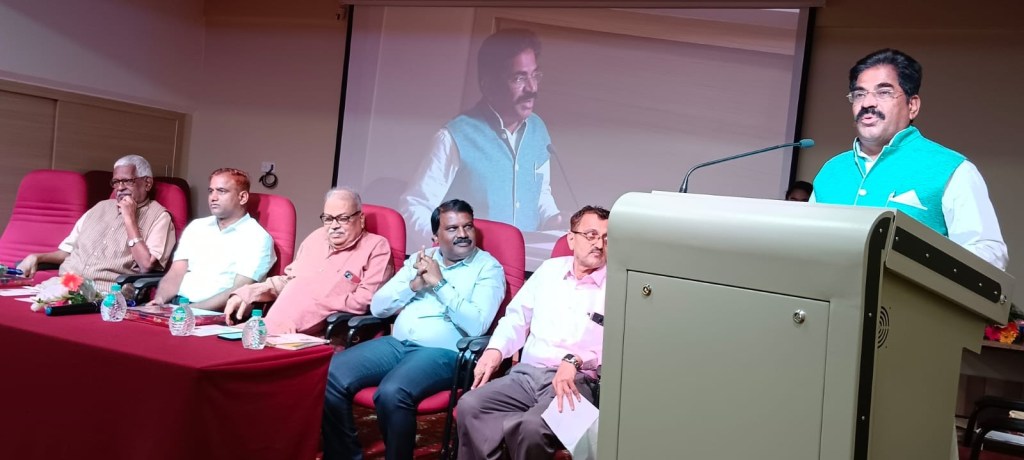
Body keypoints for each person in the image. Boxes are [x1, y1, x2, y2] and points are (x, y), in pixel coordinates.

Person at [322, 199, 506, 460]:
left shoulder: (488, 268)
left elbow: (478, 324)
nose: (463, 234)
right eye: (452, 228)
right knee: (330, 374)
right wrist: (414, 285)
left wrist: (440, 285)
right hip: (397, 345)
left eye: (468, 227)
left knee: (392, 392)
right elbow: (378, 307)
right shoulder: (422, 260)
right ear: (435, 238)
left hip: (444, 354)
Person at [813, 48, 1007, 269]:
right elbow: (803, 244)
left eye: (884, 92)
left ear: (912, 106)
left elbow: (989, 254)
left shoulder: (952, 169)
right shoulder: (830, 171)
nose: (867, 103)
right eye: (859, 94)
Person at [457, 205, 610, 460]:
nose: (599, 244)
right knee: (470, 405)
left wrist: (576, 360)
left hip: (577, 381)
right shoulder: (549, 271)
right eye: (591, 235)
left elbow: (621, 345)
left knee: (532, 427)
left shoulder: (617, 285)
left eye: (606, 238)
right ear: (571, 239)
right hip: (526, 375)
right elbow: (516, 318)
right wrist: (495, 350)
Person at [403, 28, 561, 250]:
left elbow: (540, 193)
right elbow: (414, 206)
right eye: (519, 78)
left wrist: (554, 219)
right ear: (488, 84)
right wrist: (452, 247)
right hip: (475, 263)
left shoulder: (538, 130)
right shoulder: (453, 137)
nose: (532, 88)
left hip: (528, 261)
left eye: (534, 75)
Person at [224, 188, 394, 334]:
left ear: (361, 219)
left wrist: (317, 302)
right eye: (328, 218)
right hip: (271, 327)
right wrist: (249, 292)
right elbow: (289, 280)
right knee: (223, 343)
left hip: (318, 336)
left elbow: (364, 301)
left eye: (343, 218)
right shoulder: (316, 237)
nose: (334, 226)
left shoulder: (376, 247)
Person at [17, 155, 175, 292]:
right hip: (63, 285)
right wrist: (36, 257)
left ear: (147, 183)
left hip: (104, 296)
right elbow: (66, 252)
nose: (120, 188)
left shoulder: (160, 217)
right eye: (116, 182)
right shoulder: (99, 207)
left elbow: (146, 265)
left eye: (127, 181)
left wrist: (130, 219)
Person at [149, 168, 275, 310]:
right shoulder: (197, 226)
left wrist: (189, 311)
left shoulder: (256, 237)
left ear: (242, 197)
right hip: (177, 307)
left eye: (221, 191)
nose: (213, 197)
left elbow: (239, 290)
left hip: (214, 313)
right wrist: (159, 301)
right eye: (210, 191)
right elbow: (176, 273)